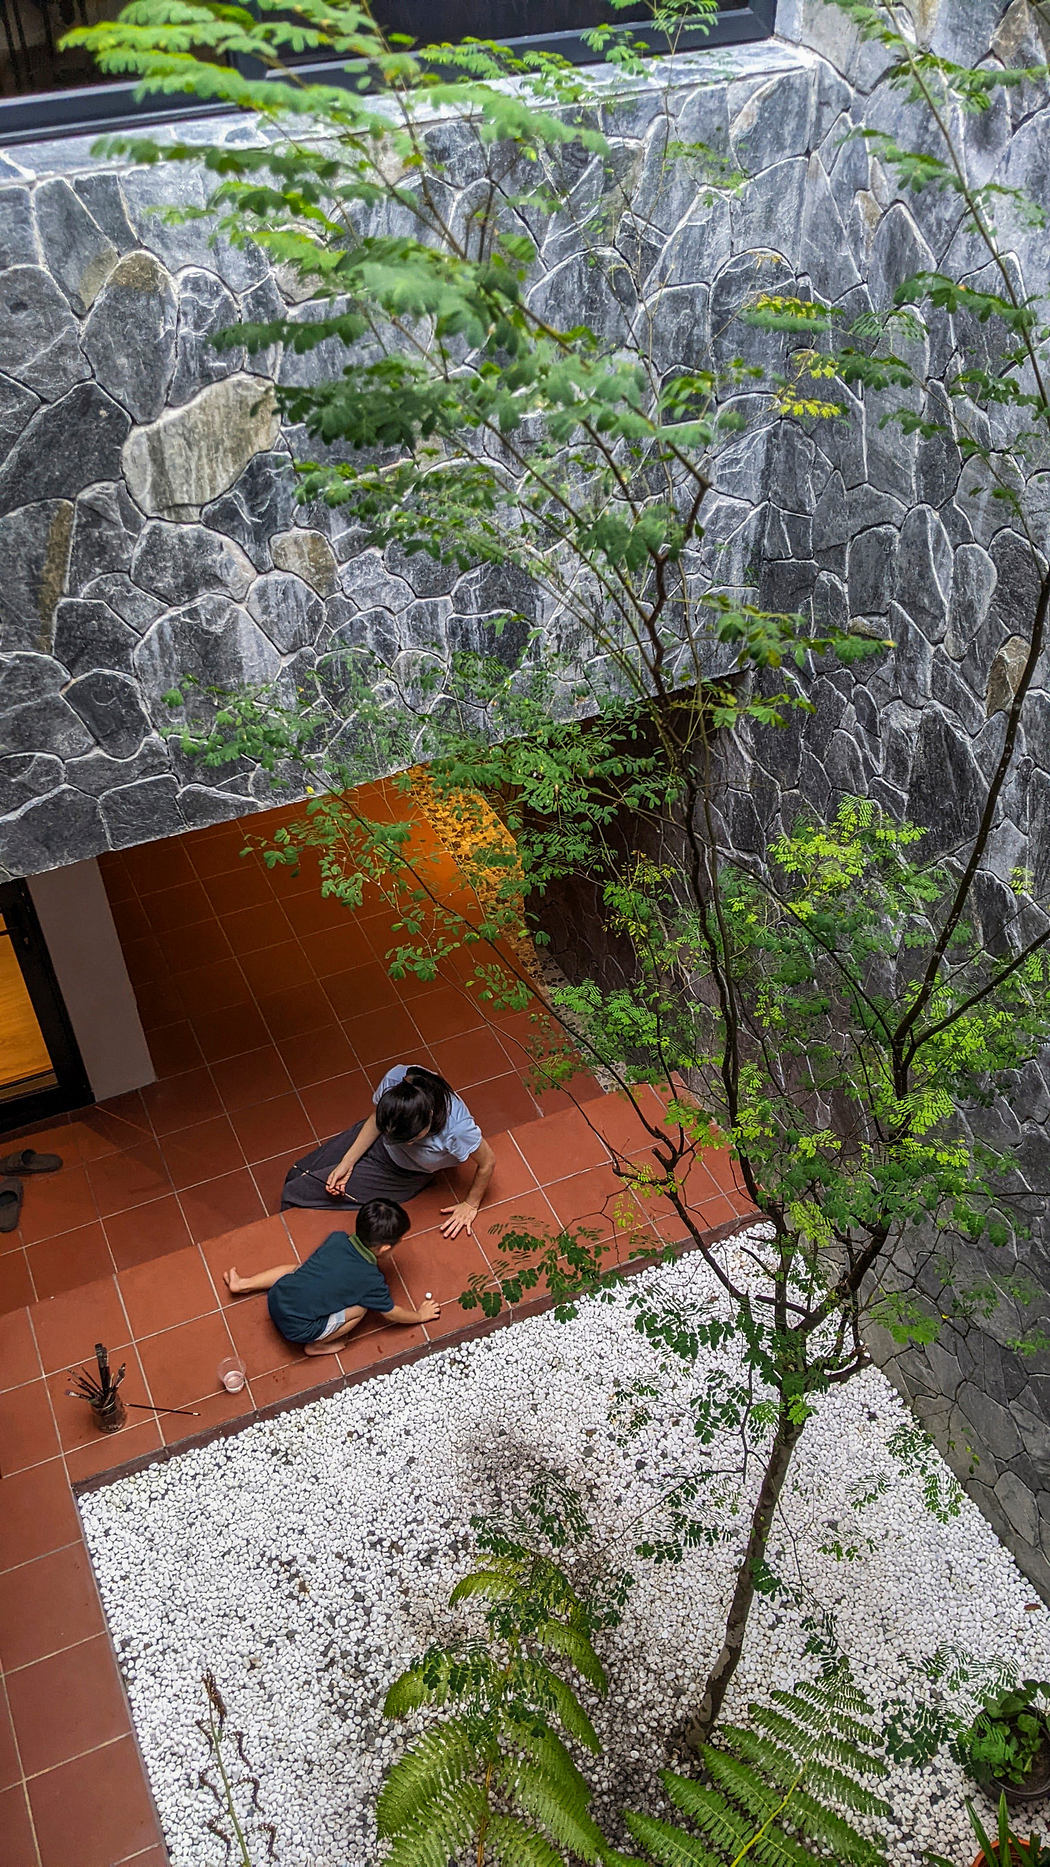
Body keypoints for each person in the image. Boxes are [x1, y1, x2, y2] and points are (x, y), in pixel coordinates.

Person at [280, 1062, 496, 1239]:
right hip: (373, 1140)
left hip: (403, 1172)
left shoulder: (458, 1130)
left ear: (429, 1115)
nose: (402, 1143)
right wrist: (347, 1161)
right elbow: (376, 1121)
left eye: (411, 1139)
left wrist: (470, 1203)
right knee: (296, 1174)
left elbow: (487, 1162)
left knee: (297, 1193)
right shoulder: (397, 1079)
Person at [223, 1197, 439, 1357]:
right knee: (361, 1309)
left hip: (277, 1297)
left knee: (299, 1269)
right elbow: (391, 1313)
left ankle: (244, 1284)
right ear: (384, 1248)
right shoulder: (372, 1281)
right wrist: (420, 1316)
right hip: (298, 1329)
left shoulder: (336, 1239)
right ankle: (318, 1345)